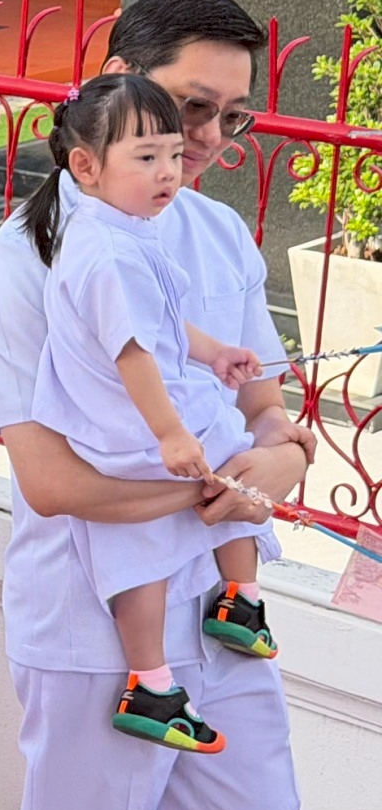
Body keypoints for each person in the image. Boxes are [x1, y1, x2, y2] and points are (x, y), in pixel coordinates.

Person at [0, 0, 310, 810]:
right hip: (93, 612)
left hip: (221, 598)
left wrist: (268, 460)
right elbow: (50, 480)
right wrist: (203, 489)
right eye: (186, 110)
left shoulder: (214, 235)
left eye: (227, 121)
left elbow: (268, 408)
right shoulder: (28, 259)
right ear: (113, 82)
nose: (209, 145)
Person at [30, 75, 276, 756]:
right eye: (146, 158)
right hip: (130, 421)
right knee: (222, 459)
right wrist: (170, 433)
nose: (168, 172)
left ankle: (163, 671)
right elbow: (134, 349)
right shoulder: (107, 250)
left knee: (149, 547)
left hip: (132, 416)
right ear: (86, 166)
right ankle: (235, 600)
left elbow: (166, 323)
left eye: (172, 155)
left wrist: (215, 352)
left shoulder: (125, 234)